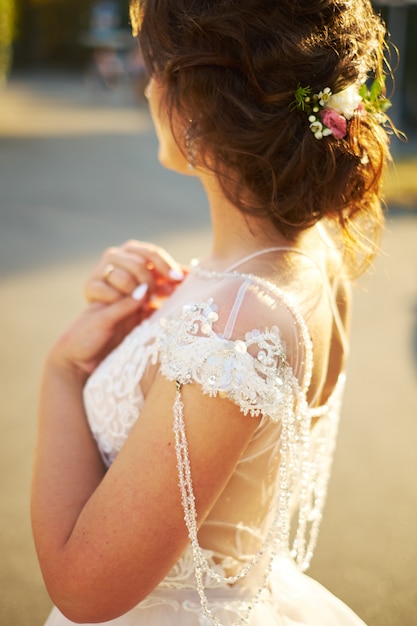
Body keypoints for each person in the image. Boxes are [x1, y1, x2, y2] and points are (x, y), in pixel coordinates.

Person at [31, 1, 393, 624]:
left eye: (154, 68)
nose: (146, 87)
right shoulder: (313, 257)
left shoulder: (233, 327)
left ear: (194, 106)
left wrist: (64, 371)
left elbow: (82, 587)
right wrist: (162, 312)